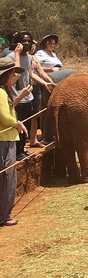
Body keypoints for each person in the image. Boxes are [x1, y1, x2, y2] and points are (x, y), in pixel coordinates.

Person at [1, 56, 30, 226]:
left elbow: (8, 108)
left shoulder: (4, 92)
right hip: (4, 140)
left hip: (6, 138)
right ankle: (4, 216)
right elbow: (4, 116)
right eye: (12, 75)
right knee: (8, 178)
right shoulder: (0, 92)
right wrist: (17, 123)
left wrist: (21, 95)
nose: (14, 78)